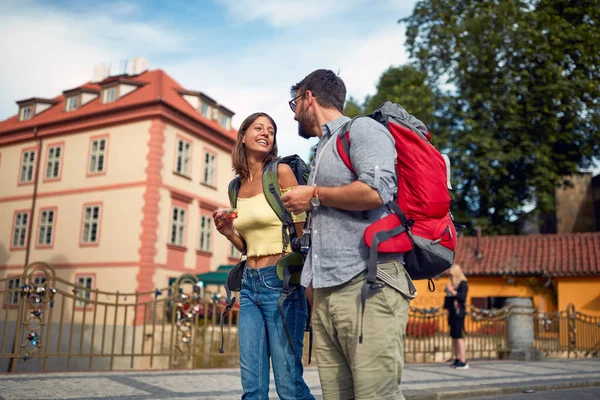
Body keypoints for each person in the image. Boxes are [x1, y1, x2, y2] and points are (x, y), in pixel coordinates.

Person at [281, 69, 412, 400]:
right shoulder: (323, 148)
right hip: (329, 293)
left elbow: (377, 189)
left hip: (368, 284)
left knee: (376, 396)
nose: (294, 112)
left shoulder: (363, 129)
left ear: (308, 97)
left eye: (294, 103)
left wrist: (314, 194)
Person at [213, 112, 314, 400]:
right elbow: (247, 246)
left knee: (288, 385)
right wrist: (228, 232)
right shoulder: (235, 187)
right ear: (243, 135)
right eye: (258, 127)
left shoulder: (281, 172)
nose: (265, 133)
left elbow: (302, 233)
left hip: (281, 285)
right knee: (253, 386)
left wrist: (308, 288)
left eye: (271, 130)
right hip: (249, 285)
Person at [444, 264, 469, 369]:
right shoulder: (456, 285)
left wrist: (453, 291)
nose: (451, 278)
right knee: (454, 336)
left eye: (452, 275)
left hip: (459, 313)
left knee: (459, 336)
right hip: (453, 313)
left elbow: (462, 297)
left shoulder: (463, 284)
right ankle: (457, 358)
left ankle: (463, 360)